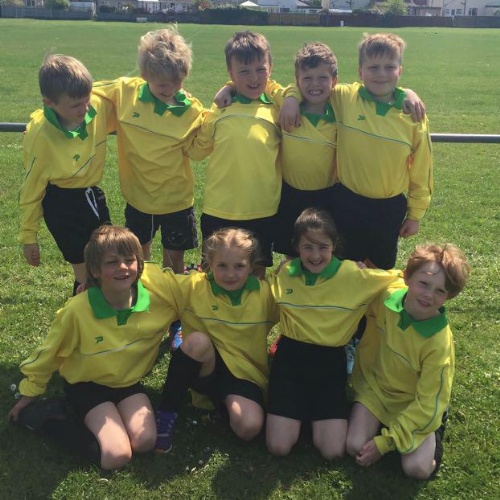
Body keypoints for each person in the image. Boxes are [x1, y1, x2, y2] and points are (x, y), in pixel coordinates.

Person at [9, 225, 182, 470]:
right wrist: (29, 393)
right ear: (94, 270)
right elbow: (49, 354)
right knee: (116, 456)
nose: (123, 267)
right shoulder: (77, 311)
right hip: (87, 386)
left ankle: (109, 417)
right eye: (112, 262)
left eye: (129, 260)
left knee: (145, 441)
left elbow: (191, 289)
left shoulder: (159, 297)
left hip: (127, 383)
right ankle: (50, 417)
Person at [93, 26, 204, 347]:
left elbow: (199, 151)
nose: (171, 90)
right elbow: (87, 93)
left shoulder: (191, 109)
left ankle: (175, 317)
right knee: (137, 260)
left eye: (177, 82)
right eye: (162, 84)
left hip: (177, 200)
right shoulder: (125, 91)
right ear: (144, 75)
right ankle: (141, 307)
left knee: (174, 263)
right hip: (139, 199)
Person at [266, 208, 399, 460]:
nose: (315, 255)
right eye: (308, 247)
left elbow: (397, 279)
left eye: (323, 247)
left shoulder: (352, 274)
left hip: (329, 364)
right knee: (278, 446)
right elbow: (266, 291)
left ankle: (307, 418)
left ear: (334, 246)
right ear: (296, 246)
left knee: (333, 451)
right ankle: (297, 418)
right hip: (290, 361)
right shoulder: (286, 273)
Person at [346, 243, 470, 479]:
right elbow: (372, 282)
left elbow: (428, 403)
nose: (428, 295)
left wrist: (385, 443)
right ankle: (393, 430)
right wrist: (360, 272)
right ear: (407, 278)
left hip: (414, 402)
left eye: (440, 291)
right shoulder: (386, 298)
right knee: (354, 446)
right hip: (376, 390)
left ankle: (429, 430)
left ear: (450, 296)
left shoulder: (438, 342)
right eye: (423, 284)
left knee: (417, 469)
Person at [154, 227, 279, 453]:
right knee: (197, 342)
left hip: (245, 375)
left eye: (239, 266)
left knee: (249, 428)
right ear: (209, 264)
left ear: (251, 266)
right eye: (222, 265)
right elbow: (156, 281)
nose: (230, 274)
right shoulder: (193, 287)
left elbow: (299, 298)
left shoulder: (265, 295)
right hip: (206, 367)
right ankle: (166, 412)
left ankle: (222, 405)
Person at [19, 54, 116, 295]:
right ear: (49, 103)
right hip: (61, 204)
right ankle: (83, 312)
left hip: (92, 196)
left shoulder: (94, 102)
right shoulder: (40, 135)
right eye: (75, 105)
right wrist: (29, 236)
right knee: (85, 270)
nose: (85, 108)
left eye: (87, 100)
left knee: (107, 258)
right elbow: (32, 187)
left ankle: (102, 309)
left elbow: (128, 85)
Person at [189, 31, 283, 278]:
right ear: (230, 72)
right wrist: (212, 111)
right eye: (243, 71)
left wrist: (230, 86)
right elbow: (197, 152)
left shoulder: (277, 109)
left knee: (256, 275)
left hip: (262, 209)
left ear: (271, 68)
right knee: (213, 275)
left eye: (260, 69)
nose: (254, 78)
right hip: (220, 208)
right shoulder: (220, 109)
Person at [273, 42, 338, 259]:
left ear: (334, 80)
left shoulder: (341, 110)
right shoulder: (286, 105)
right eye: (307, 78)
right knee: (292, 254)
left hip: (328, 196)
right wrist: (292, 97)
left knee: (322, 252)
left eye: (322, 78)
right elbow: (266, 85)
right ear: (297, 80)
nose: (315, 84)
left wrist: (408, 94)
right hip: (290, 194)